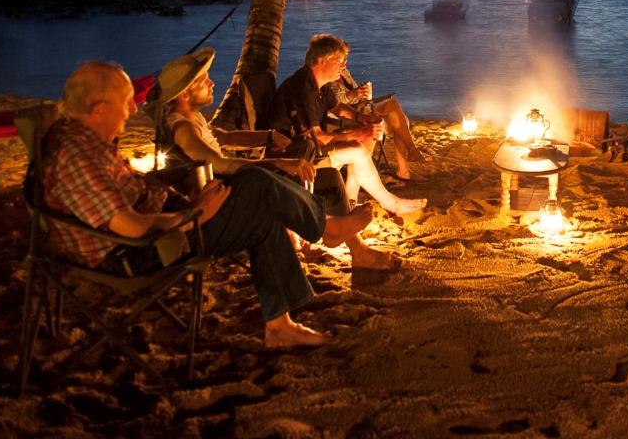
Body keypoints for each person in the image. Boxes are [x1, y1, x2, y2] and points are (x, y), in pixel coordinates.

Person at [44, 61, 371, 349]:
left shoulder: (87, 138)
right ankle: (326, 227)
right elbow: (131, 227)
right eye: (125, 101)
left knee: (263, 215)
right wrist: (194, 213)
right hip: (141, 249)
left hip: (166, 216)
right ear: (99, 110)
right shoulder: (78, 157)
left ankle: (279, 327)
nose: (133, 109)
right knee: (256, 182)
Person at [157, 47, 401, 272]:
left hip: (234, 187)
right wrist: (278, 163)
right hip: (227, 199)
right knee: (300, 158)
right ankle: (324, 227)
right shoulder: (183, 128)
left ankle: (356, 249)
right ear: (184, 93)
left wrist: (269, 135)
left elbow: (224, 137)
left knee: (330, 177)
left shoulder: (192, 118)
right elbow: (220, 164)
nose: (211, 83)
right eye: (203, 81)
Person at [273, 33, 426, 221]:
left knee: (360, 144)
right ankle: (389, 203)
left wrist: (362, 118)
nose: (342, 66)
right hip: (294, 156)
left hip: (309, 147)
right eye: (338, 61)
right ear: (321, 61)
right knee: (357, 150)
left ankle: (350, 201)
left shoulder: (321, 84)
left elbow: (337, 107)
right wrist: (357, 133)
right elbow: (316, 137)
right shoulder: (303, 88)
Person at [330, 65, 426, 181]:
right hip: (344, 119)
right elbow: (331, 103)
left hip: (362, 109)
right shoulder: (327, 77)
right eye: (340, 59)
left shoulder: (344, 72)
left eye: (345, 59)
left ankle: (406, 166)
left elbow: (358, 98)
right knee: (398, 119)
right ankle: (407, 160)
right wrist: (353, 94)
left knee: (396, 113)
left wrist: (364, 94)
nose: (343, 63)